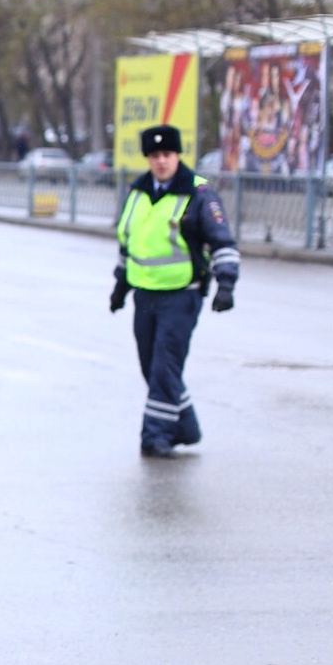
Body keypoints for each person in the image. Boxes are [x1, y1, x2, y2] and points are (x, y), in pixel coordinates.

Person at [108, 124, 240, 458]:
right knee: (151, 365)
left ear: (178, 155)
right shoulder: (138, 191)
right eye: (155, 156)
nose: (162, 161)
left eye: (167, 154)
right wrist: (120, 286)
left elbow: (221, 240)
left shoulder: (198, 192)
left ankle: (156, 436)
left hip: (183, 294)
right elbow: (130, 242)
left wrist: (226, 284)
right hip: (145, 294)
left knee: (165, 366)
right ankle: (186, 427)